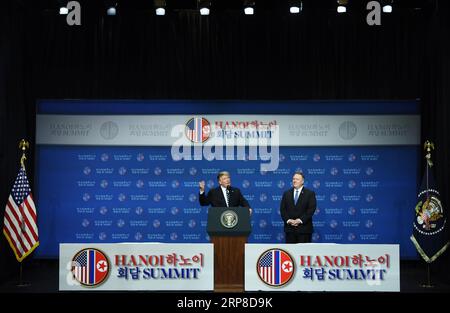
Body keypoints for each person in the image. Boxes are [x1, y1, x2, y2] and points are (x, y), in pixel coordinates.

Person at [280, 172, 317, 243]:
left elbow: (311, 210)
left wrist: (299, 220)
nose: (294, 181)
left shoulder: (310, 193)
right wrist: (288, 220)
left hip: (304, 230)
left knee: (304, 252)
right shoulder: (286, 193)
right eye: (293, 179)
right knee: (290, 253)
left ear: (302, 181)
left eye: (297, 179)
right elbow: (283, 210)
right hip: (290, 230)